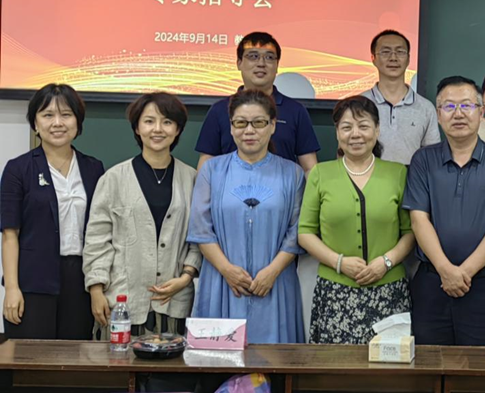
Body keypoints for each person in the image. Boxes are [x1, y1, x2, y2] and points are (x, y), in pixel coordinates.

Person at [403, 76, 485, 346]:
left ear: (481, 112)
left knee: (475, 365)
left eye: (467, 105)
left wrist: (464, 273)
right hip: (432, 281)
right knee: (428, 363)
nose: (458, 114)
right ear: (438, 115)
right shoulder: (423, 160)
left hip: (483, 283)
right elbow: (419, 220)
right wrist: (445, 270)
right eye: (449, 106)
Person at [188, 89, 305, 344]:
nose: (249, 131)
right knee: (216, 360)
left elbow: (297, 231)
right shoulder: (212, 170)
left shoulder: (293, 174)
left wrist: (272, 271)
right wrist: (227, 270)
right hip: (222, 282)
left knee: (275, 362)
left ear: (272, 125)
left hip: (275, 283)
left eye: (259, 123)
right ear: (231, 127)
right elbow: (201, 229)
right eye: (241, 123)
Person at [298, 96, 414, 344]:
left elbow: (410, 232)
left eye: (363, 126)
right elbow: (305, 232)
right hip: (335, 293)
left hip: (389, 290)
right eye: (347, 127)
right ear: (337, 132)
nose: (355, 134)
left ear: (377, 130)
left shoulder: (398, 173)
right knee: (337, 364)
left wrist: (386, 262)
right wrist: (340, 263)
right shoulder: (320, 174)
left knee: (388, 362)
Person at [84, 92, 200, 338]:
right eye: (149, 121)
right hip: (123, 298)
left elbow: (200, 237)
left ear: (178, 129)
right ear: (137, 128)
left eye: (167, 122)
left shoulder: (192, 179)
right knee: (120, 360)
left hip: (175, 299)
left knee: (174, 360)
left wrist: (186, 276)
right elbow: (97, 239)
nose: (157, 129)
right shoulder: (113, 178)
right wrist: (96, 289)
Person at [1, 84, 105, 339]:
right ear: (35, 123)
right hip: (33, 281)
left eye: (66, 115)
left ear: (78, 122)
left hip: (80, 281)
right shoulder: (18, 169)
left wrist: (98, 286)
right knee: (30, 358)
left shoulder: (94, 168)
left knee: (75, 357)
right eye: (48, 115)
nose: (57, 123)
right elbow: (10, 235)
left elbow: (101, 232)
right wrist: (12, 288)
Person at [195, 31, 320, 173]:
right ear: (239, 63)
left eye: (269, 57)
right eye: (253, 56)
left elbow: (309, 168)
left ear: (277, 65)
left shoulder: (296, 111)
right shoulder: (219, 110)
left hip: (282, 187)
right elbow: (206, 166)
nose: (261, 63)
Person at [362, 30, 440, 165]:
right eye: (385, 52)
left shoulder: (426, 108)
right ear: (373, 58)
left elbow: (433, 158)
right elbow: (345, 154)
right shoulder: (359, 105)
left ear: (409, 59)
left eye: (400, 52)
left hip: (412, 178)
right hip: (368, 178)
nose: (393, 58)